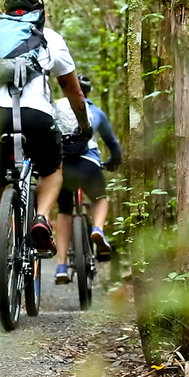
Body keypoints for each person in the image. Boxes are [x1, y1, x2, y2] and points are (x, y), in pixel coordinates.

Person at [0, 0, 92, 291]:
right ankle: (41, 217)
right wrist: (84, 125)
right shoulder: (50, 38)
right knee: (52, 170)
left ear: (5, 9)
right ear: (40, 11)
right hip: (34, 114)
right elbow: (73, 90)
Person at [53, 74, 122, 284]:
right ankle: (98, 229)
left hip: (63, 166)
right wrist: (113, 161)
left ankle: (62, 266)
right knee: (100, 198)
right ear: (87, 92)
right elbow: (113, 144)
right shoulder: (94, 111)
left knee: (64, 211)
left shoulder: (56, 107)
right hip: (88, 164)